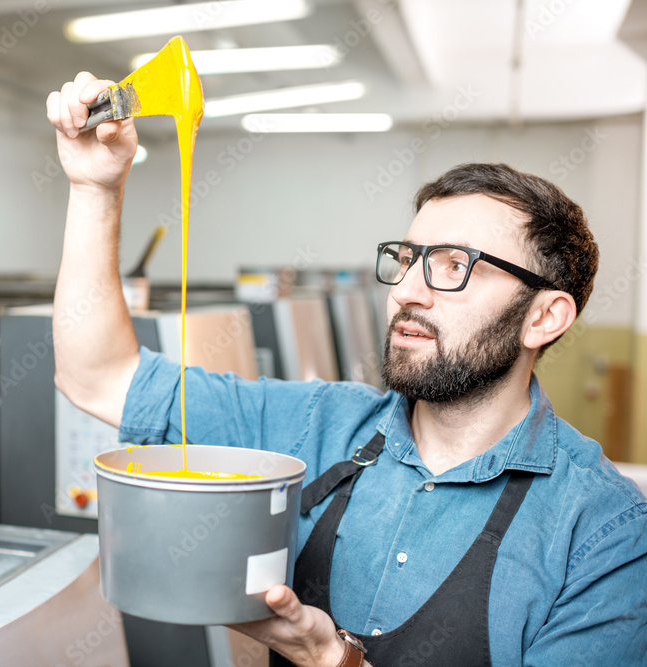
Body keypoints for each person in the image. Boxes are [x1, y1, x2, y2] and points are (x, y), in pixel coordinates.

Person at [46, 72, 647, 666]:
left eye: (452, 265)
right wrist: (95, 188)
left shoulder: (606, 533)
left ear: (543, 317)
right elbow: (97, 376)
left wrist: (335, 661)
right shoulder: (317, 425)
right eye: (407, 259)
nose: (407, 290)